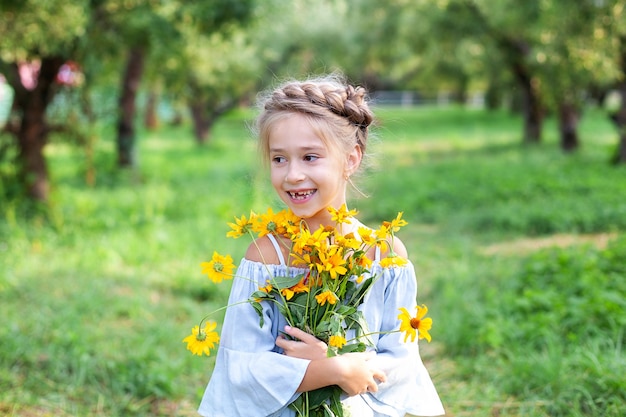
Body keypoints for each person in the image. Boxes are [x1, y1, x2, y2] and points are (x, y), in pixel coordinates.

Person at [197, 74, 445, 417]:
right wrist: (333, 371)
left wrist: (335, 362)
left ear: (351, 159)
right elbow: (241, 368)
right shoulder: (266, 256)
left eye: (310, 157)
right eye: (279, 159)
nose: (292, 175)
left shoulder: (383, 255)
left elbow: (403, 363)